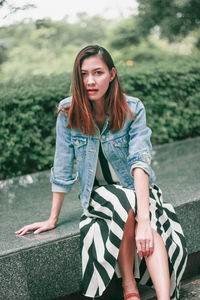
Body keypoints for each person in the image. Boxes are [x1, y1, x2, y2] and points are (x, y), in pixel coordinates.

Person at [16, 45, 188, 300]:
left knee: (145, 222)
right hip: (99, 194)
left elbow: (140, 163)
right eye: (84, 74)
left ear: (112, 74)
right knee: (124, 203)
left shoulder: (133, 108)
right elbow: (63, 164)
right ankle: (129, 284)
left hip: (135, 187)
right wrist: (52, 218)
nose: (90, 81)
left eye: (98, 72)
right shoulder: (68, 111)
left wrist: (144, 221)